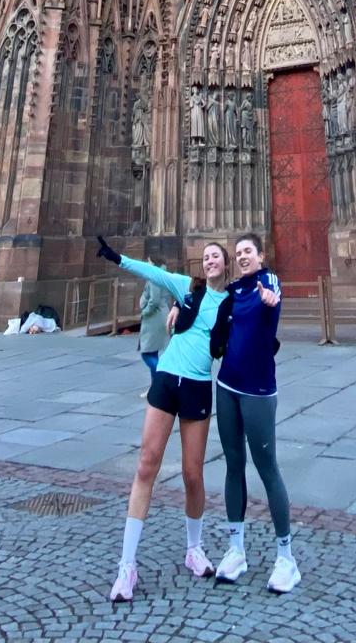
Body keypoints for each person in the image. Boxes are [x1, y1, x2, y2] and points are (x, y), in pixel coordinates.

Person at [95, 233, 229, 603]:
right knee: (146, 465)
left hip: (199, 387)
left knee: (192, 473)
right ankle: (127, 566)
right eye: (205, 256)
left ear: (226, 264)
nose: (209, 260)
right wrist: (116, 257)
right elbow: (152, 271)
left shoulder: (232, 301)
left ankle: (194, 549)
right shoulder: (187, 287)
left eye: (216, 256)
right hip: (168, 381)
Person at [210, 231, 299, 594]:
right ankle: (236, 550)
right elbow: (205, 301)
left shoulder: (268, 281)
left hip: (259, 390)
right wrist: (177, 304)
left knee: (267, 466)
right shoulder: (232, 291)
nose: (243, 256)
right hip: (227, 385)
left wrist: (270, 298)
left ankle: (286, 558)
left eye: (248, 251)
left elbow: (273, 298)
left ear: (261, 256)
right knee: (233, 463)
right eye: (239, 252)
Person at [138, 264, 174, 379]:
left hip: (154, 317)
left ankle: (162, 378)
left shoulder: (154, 277)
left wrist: (145, 311)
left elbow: (154, 300)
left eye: (149, 261)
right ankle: (155, 388)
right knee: (152, 352)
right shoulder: (163, 276)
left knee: (146, 354)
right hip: (161, 314)